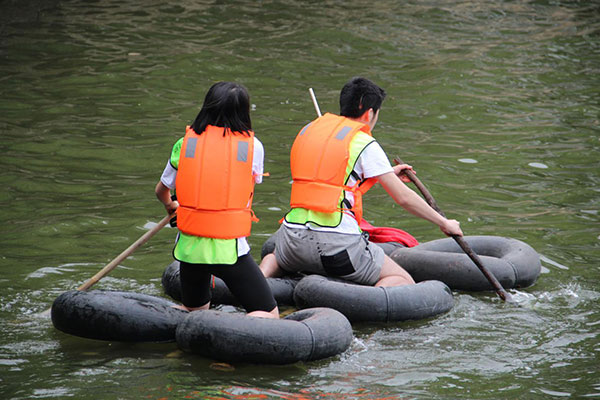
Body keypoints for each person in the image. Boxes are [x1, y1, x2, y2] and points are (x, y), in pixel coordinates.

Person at [260, 77, 463, 287]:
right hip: (336, 250)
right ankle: (362, 306)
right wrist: (444, 223)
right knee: (401, 279)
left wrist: (384, 173)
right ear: (369, 112)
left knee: (274, 257)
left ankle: (259, 284)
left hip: (291, 243)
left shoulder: (308, 130)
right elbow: (403, 198)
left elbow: (329, 182)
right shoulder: (364, 141)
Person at [155, 81, 279, 319]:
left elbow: (161, 190)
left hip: (189, 251)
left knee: (194, 312)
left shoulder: (184, 144)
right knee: (268, 314)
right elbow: (246, 188)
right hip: (229, 251)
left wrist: (172, 206)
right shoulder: (253, 146)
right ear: (244, 111)